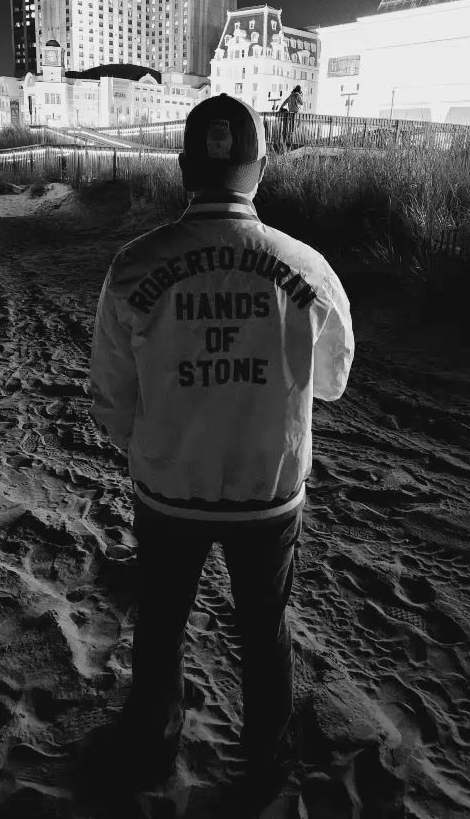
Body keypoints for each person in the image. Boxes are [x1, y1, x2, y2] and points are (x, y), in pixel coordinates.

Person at [89, 94, 354, 805]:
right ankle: (267, 764)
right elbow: (332, 382)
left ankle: (153, 747)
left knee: (162, 622)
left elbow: (111, 398)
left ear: (184, 169)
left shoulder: (134, 265)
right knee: (264, 629)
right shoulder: (308, 268)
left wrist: (160, 446)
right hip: (269, 492)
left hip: (168, 492)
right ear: (260, 168)